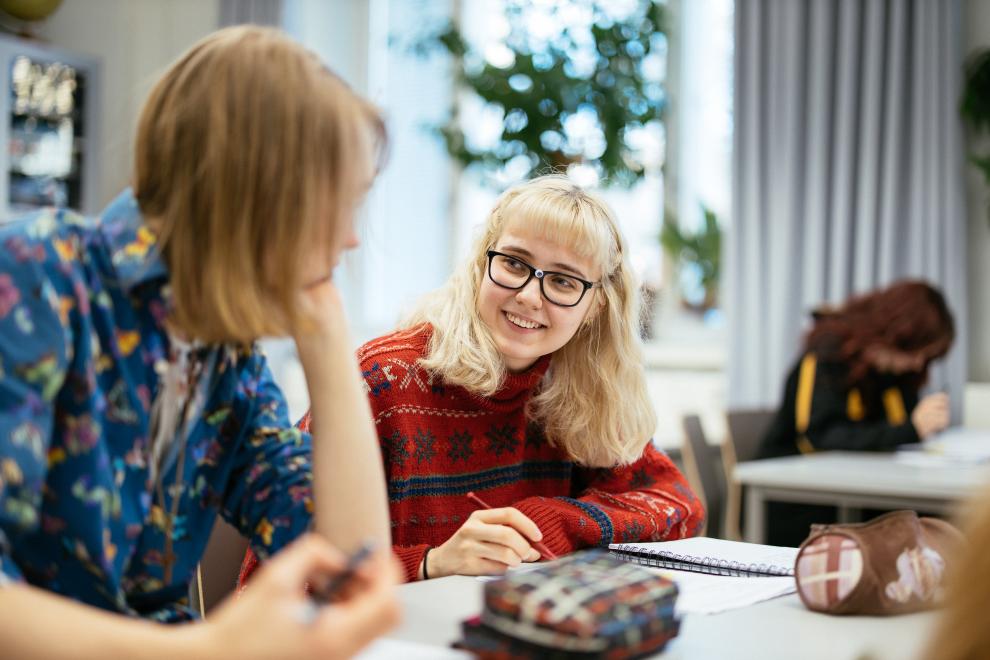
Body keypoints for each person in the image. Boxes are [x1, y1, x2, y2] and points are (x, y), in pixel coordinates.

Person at [0, 26, 400, 658]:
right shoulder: (39, 274)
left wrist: (326, 333)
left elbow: (352, 567)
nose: (351, 239)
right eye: (343, 203)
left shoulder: (226, 355)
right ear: (264, 194)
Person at [239, 175, 705, 585]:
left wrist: (558, 521)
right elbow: (277, 572)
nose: (528, 296)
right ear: (482, 264)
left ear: (595, 306)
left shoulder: (574, 389)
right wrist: (432, 562)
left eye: (563, 282)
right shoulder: (384, 379)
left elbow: (679, 504)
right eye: (515, 264)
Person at [758, 280, 955, 545]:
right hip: (800, 501)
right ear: (894, 334)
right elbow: (818, 436)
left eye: (926, 357)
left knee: (940, 522)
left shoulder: (895, 372)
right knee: (923, 528)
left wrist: (918, 424)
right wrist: (911, 428)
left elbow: (897, 432)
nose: (918, 363)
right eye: (916, 353)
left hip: (856, 496)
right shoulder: (826, 354)